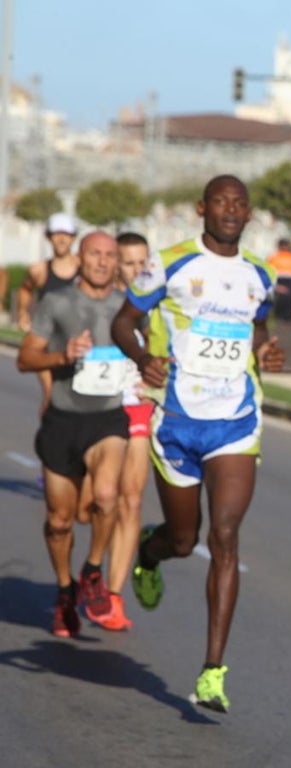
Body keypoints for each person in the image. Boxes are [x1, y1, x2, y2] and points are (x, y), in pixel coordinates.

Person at [111, 175, 285, 714]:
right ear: (202, 208)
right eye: (220, 202)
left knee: (225, 536)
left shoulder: (261, 275)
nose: (230, 210)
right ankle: (151, 550)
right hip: (176, 421)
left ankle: (213, 671)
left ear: (249, 214)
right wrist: (143, 359)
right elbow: (123, 322)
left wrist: (265, 351)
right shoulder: (169, 264)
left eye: (239, 204)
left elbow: (258, 329)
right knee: (185, 540)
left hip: (235, 421)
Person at [16, 231, 129, 637]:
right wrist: (62, 355)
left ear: (116, 262)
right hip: (64, 421)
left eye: (109, 255)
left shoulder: (127, 307)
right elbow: (25, 358)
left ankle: (93, 570)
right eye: (94, 253)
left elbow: (149, 350)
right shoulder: (58, 303)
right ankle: (66, 590)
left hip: (108, 418)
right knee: (60, 521)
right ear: (81, 258)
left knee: (106, 496)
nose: (102, 261)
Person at [89, 231, 154, 631]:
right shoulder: (102, 304)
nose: (137, 270)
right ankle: (91, 568)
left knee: (131, 500)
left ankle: (112, 597)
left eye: (143, 262)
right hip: (96, 412)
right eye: (129, 263)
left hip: (137, 408)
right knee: (94, 504)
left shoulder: (160, 306)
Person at [17, 212, 80, 415]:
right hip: (47, 344)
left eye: (66, 234)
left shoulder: (83, 268)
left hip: (77, 342)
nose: (61, 239)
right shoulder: (39, 270)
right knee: (52, 397)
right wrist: (23, 313)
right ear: (48, 237)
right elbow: (25, 289)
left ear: (73, 237)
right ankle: (50, 432)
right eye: (56, 234)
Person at [267, 237, 291, 323]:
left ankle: (285, 319)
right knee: (282, 303)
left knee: (286, 303)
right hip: (281, 282)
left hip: (286, 282)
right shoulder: (274, 257)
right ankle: (283, 318)